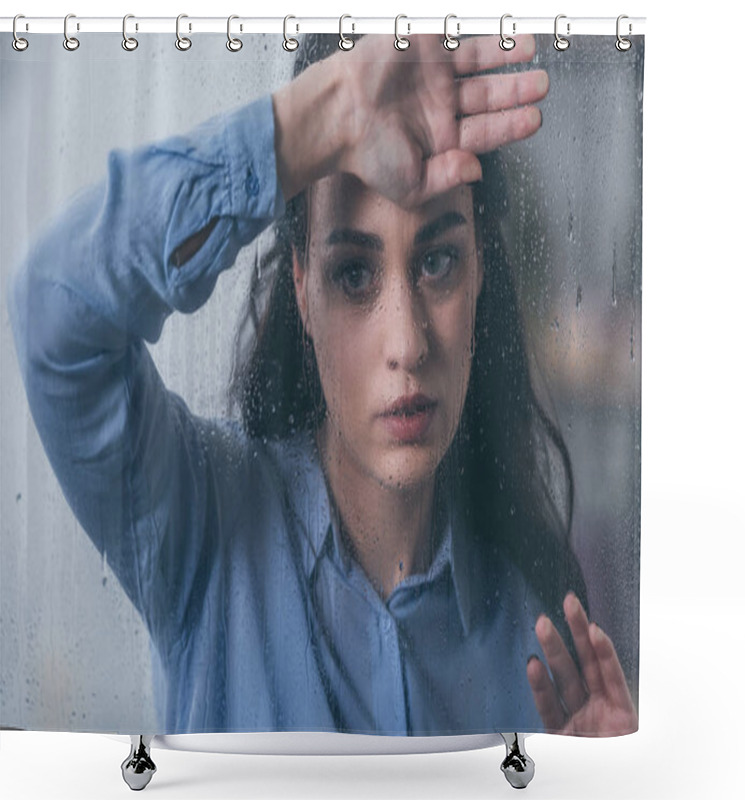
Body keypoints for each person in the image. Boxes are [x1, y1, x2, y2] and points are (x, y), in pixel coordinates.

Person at [8, 33, 637, 736]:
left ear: (481, 270)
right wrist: (310, 123)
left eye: (438, 262)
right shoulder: (206, 528)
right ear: (302, 289)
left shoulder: (541, 644)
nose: (406, 344)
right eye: (353, 273)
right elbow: (54, 311)